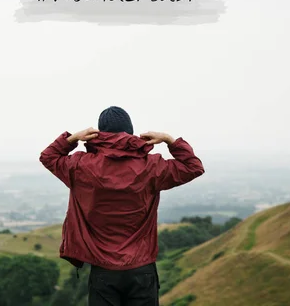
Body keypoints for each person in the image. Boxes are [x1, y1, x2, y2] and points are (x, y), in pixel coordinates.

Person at [39, 106, 205, 306]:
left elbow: (48, 157)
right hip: (142, 269)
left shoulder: (80, 166)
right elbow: (193, 167)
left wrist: (72, 138)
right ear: (130, 131)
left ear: (98, 134)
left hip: (103, 270)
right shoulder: (151, 166)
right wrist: (169, 140)